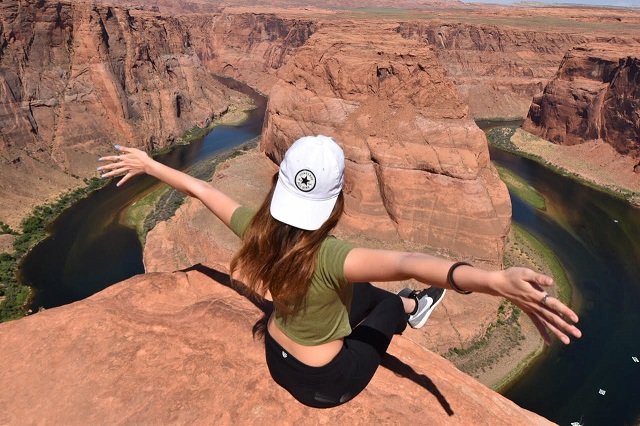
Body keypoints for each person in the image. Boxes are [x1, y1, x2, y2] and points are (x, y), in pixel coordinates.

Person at [97, 135, 581, 408]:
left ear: (279, 186)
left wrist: (149, 165)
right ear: (335, 203)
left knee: (362, 290)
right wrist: (494, 281)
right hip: (326, 384)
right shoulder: (335, 257)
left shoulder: (257, 230)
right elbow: (413, 264)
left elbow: (203, 190)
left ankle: (405, 306)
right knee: (389, 305)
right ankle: (412, 309)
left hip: (276, 357)